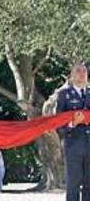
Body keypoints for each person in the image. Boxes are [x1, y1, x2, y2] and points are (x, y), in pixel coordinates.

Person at [57, 62, 90, 201]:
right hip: (73, 145)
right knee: (73, 185)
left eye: (84, 71)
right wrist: (72, 123)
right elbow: (58, 123)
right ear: (71, 75)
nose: (82, 74)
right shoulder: (64, 95)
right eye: (78, 71)